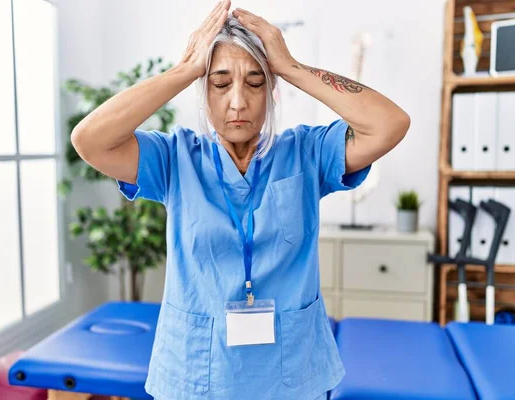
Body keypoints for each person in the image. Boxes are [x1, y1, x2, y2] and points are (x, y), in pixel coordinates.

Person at [71, 1, 410, 399]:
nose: (237, 102)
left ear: (272, 91)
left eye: (255, 83)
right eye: (219, 83)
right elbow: (89, 140)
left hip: (291, 375)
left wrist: (289, 66)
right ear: (203, 89)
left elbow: (390, 124)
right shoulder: (174, 158)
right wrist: (185, 69)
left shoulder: (307, 152)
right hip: (196, 375)